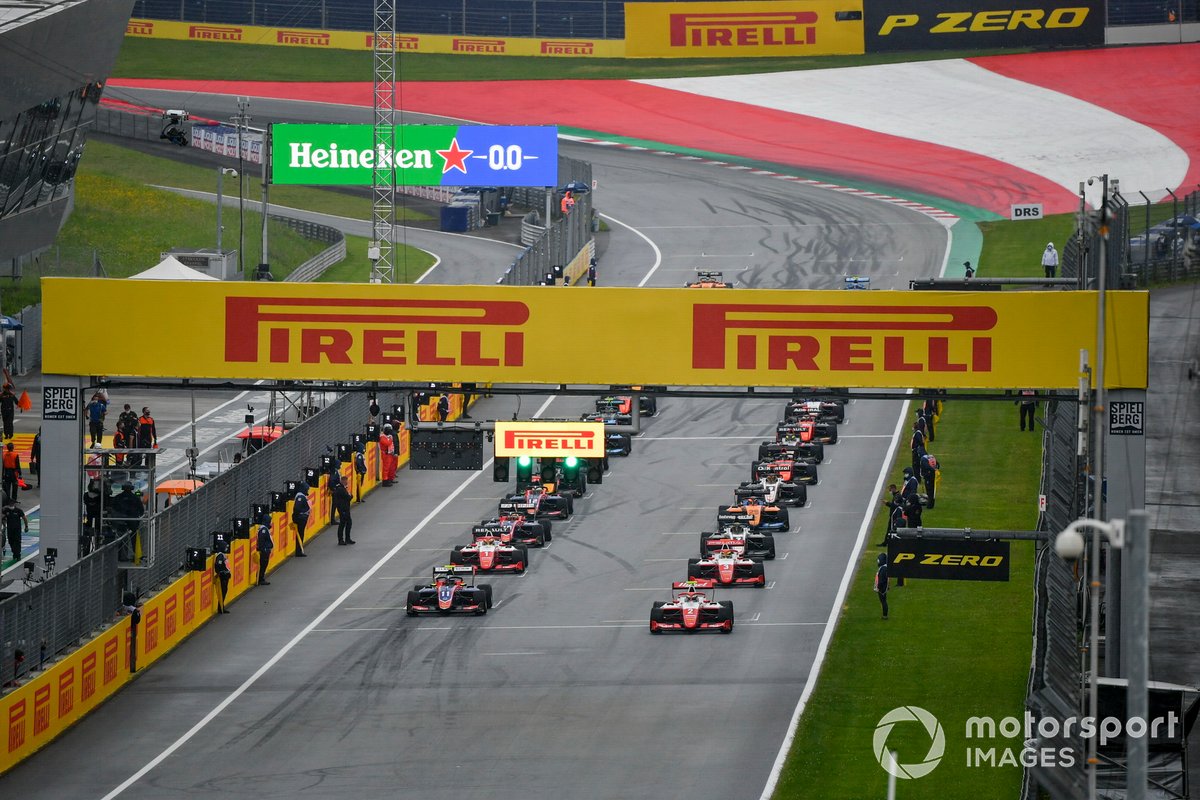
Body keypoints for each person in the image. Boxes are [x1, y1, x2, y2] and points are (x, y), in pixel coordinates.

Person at [3, 498, 27, 563]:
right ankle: (14, 552)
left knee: (17, 542)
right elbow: (2, 517)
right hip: (10, 529)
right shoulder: (6, 510)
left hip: (17, 529)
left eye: (12, 503)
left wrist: (26, 527)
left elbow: (24, 518)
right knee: (11, 541)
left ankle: (18, 555)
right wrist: (4, 525)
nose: (11, 504)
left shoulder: (18, 510)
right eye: (10, 503)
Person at [332, 476, 354, 545]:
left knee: (347, 523)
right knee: (343, 523)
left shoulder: (341, 488)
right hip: (343, 509)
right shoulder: (341, 489)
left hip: (345, 508)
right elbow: (348, 497)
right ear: (343, 481)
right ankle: (341, 540)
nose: (347, 482)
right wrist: (350, 496)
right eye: (346, 481)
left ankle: (347, 538)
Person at [291, 489, 310, 557]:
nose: (308, 490)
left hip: (300, 518)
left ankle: (299, 550)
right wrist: (296, 516)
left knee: (300, 534)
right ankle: (299, 551)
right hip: (301, 519)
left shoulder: (301, 497)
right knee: (300, 534)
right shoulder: (300, 497)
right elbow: (297, 508)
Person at [255, 519, 273, 585]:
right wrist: (264, 549)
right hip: (264, 551)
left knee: (263, 565)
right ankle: (260, 579)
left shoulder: (263, 529)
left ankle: (260, 578)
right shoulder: (263, 530)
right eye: (270, 521)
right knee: (263, 565)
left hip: (265, 550)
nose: (271, 523)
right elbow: (261, 541)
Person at [214, 548, 232, 613]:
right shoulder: (220, 555)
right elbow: (218, 565)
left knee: (224, 591)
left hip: (225, 575)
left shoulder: (223, 555)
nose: (227, 548)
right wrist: (219, 573)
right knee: (222, 592)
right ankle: (221, 608)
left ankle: (221, 607)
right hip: (223, 576)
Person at [874, 553, 889, 620]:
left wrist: (878, 587)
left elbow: (881, 580)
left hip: (882, 588)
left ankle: (884, 615)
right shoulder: (885, 567)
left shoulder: (883, 569)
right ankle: (884, 614)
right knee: (883, 601)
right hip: (883, 587)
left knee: (883, 601)